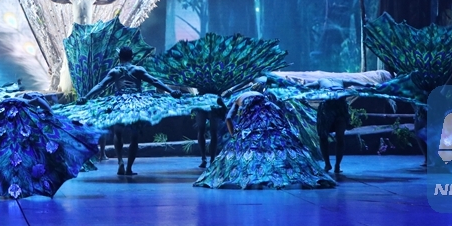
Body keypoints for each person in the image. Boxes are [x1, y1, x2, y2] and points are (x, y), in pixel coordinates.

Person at [195, 86, 334, 190]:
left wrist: (234, 135)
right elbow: (277, 110)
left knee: (251, 143)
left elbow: (229, 118)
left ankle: (253, 175)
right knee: (275, 141)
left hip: (251, 114)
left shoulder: (238, 100)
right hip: (268, 111)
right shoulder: (261, 95)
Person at [77, 46, 181, 176]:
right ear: (132, 57)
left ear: (119, 57)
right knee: (134, 136)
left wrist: (86, 97)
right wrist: (171, 91)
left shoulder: (115, 71)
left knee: (118, 133)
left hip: (119, 102)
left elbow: (101, 85)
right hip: (135, 103)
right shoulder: (138, 70)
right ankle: (129, 168)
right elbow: (154, 81)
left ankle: (120, 161)